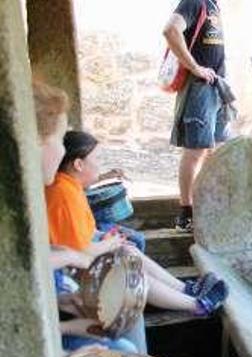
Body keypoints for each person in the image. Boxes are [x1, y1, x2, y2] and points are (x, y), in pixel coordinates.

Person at [33, 80, 191, 357]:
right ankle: (195, 303)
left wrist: (71, 333)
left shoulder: (46, 198)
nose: (60, 151)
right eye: (54, 139)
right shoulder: (58, 194)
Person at [45, 130, 228, 318]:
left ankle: (184, 290)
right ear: (78, 164)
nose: (99, 165)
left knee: (129, 250)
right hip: (72, 271)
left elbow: (80, 237)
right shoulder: (63, 194)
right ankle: (196, 305)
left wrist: (108, 241)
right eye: (97, 159)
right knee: (126, 265)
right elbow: (76, 253)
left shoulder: (68, 185)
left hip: (80, 256)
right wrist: (108, 244)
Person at [163, 0, 229, 233]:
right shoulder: (194, 1)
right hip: (199, 87)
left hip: (216, 88)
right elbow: (170, 30)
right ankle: (186, 214)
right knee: (195, 151)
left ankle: (207, 207)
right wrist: (195, 68)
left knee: (215, 150)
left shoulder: (212, 5)